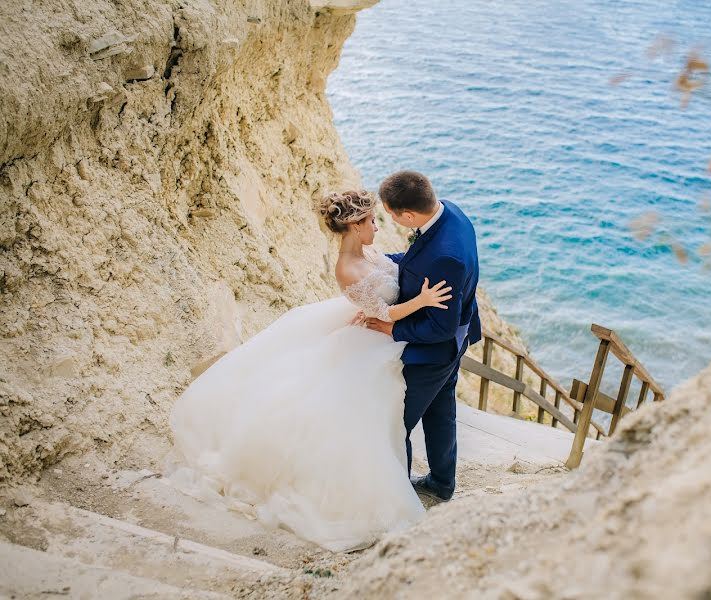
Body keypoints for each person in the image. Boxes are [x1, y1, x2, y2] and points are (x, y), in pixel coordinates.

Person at [168, 189, 452, 552]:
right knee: (361, 416)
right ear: (352, 226)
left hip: (378, 336)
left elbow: (386, 280)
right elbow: (383, 314)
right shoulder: (347, 269)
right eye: (369, 222)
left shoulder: (366, 251)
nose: (376, 228)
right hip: (375, 338)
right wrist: (423, 301)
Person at [366, 170, 481, 503]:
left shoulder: (445, 256)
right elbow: (420, 264)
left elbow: (439, 327)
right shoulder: (450, 212)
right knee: (441, 415)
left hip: (435, 353)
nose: (390, 220)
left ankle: (396, 495)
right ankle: (442, 483)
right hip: (457, 340)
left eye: (391, 215)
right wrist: (386, 262)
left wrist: (392, 328)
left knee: (396, 422)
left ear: (408, 216)